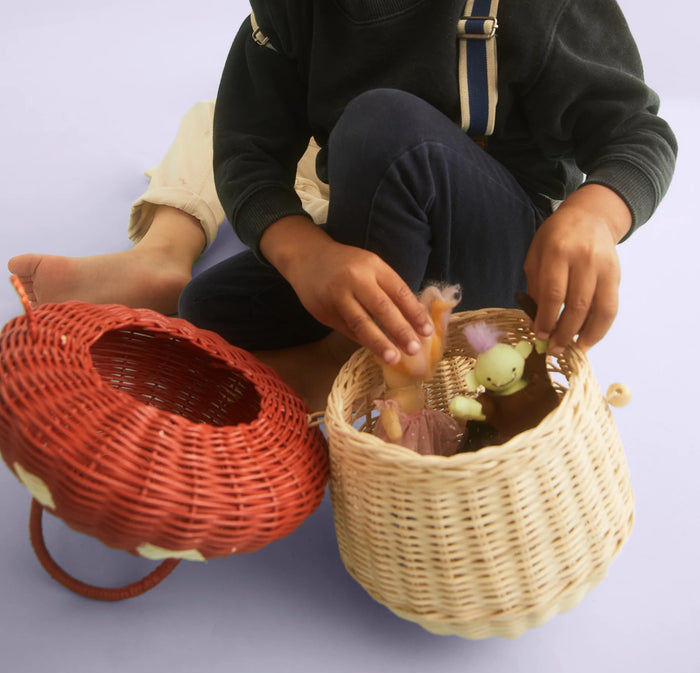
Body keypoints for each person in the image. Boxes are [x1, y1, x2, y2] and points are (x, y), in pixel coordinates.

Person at [9, 1, 677, 410]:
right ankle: (355, 345)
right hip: (393, 253)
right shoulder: (293, 11)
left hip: (494, 269)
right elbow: (246, 150)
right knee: (209, 310)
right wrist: (306, 255)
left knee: (378, 122)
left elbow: (636, 130)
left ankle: (339, 363)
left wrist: (594, 211)